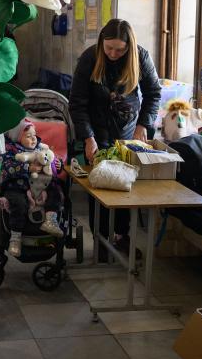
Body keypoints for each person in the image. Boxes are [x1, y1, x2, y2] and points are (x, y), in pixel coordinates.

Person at [68, 19, 161, 256]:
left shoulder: (141, 57)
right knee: (99, 183)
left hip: (127, 131)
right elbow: (77, 103)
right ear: (102, 42)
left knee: (123, 183)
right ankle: (100, 239)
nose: (113, 54)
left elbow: (153, 93)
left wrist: (143, 125)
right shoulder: (90, 58)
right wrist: (88, 137)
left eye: (120, 50)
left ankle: (121, 236)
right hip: (96, 129)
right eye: (109, 48)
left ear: (129, 47)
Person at [0, 119, 63, 257]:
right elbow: (7, 167)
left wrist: (58, 165)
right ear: (17, 138)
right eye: (28, 136)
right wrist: (27, 167)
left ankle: (51, 219)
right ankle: (15, 238)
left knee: (56, 192)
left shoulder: (41, 148)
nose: (33, 138)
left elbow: (51, 159)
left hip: (41, 185)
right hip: (18, 185)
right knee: (19, 203)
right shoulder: (10, 150)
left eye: (34, 135)